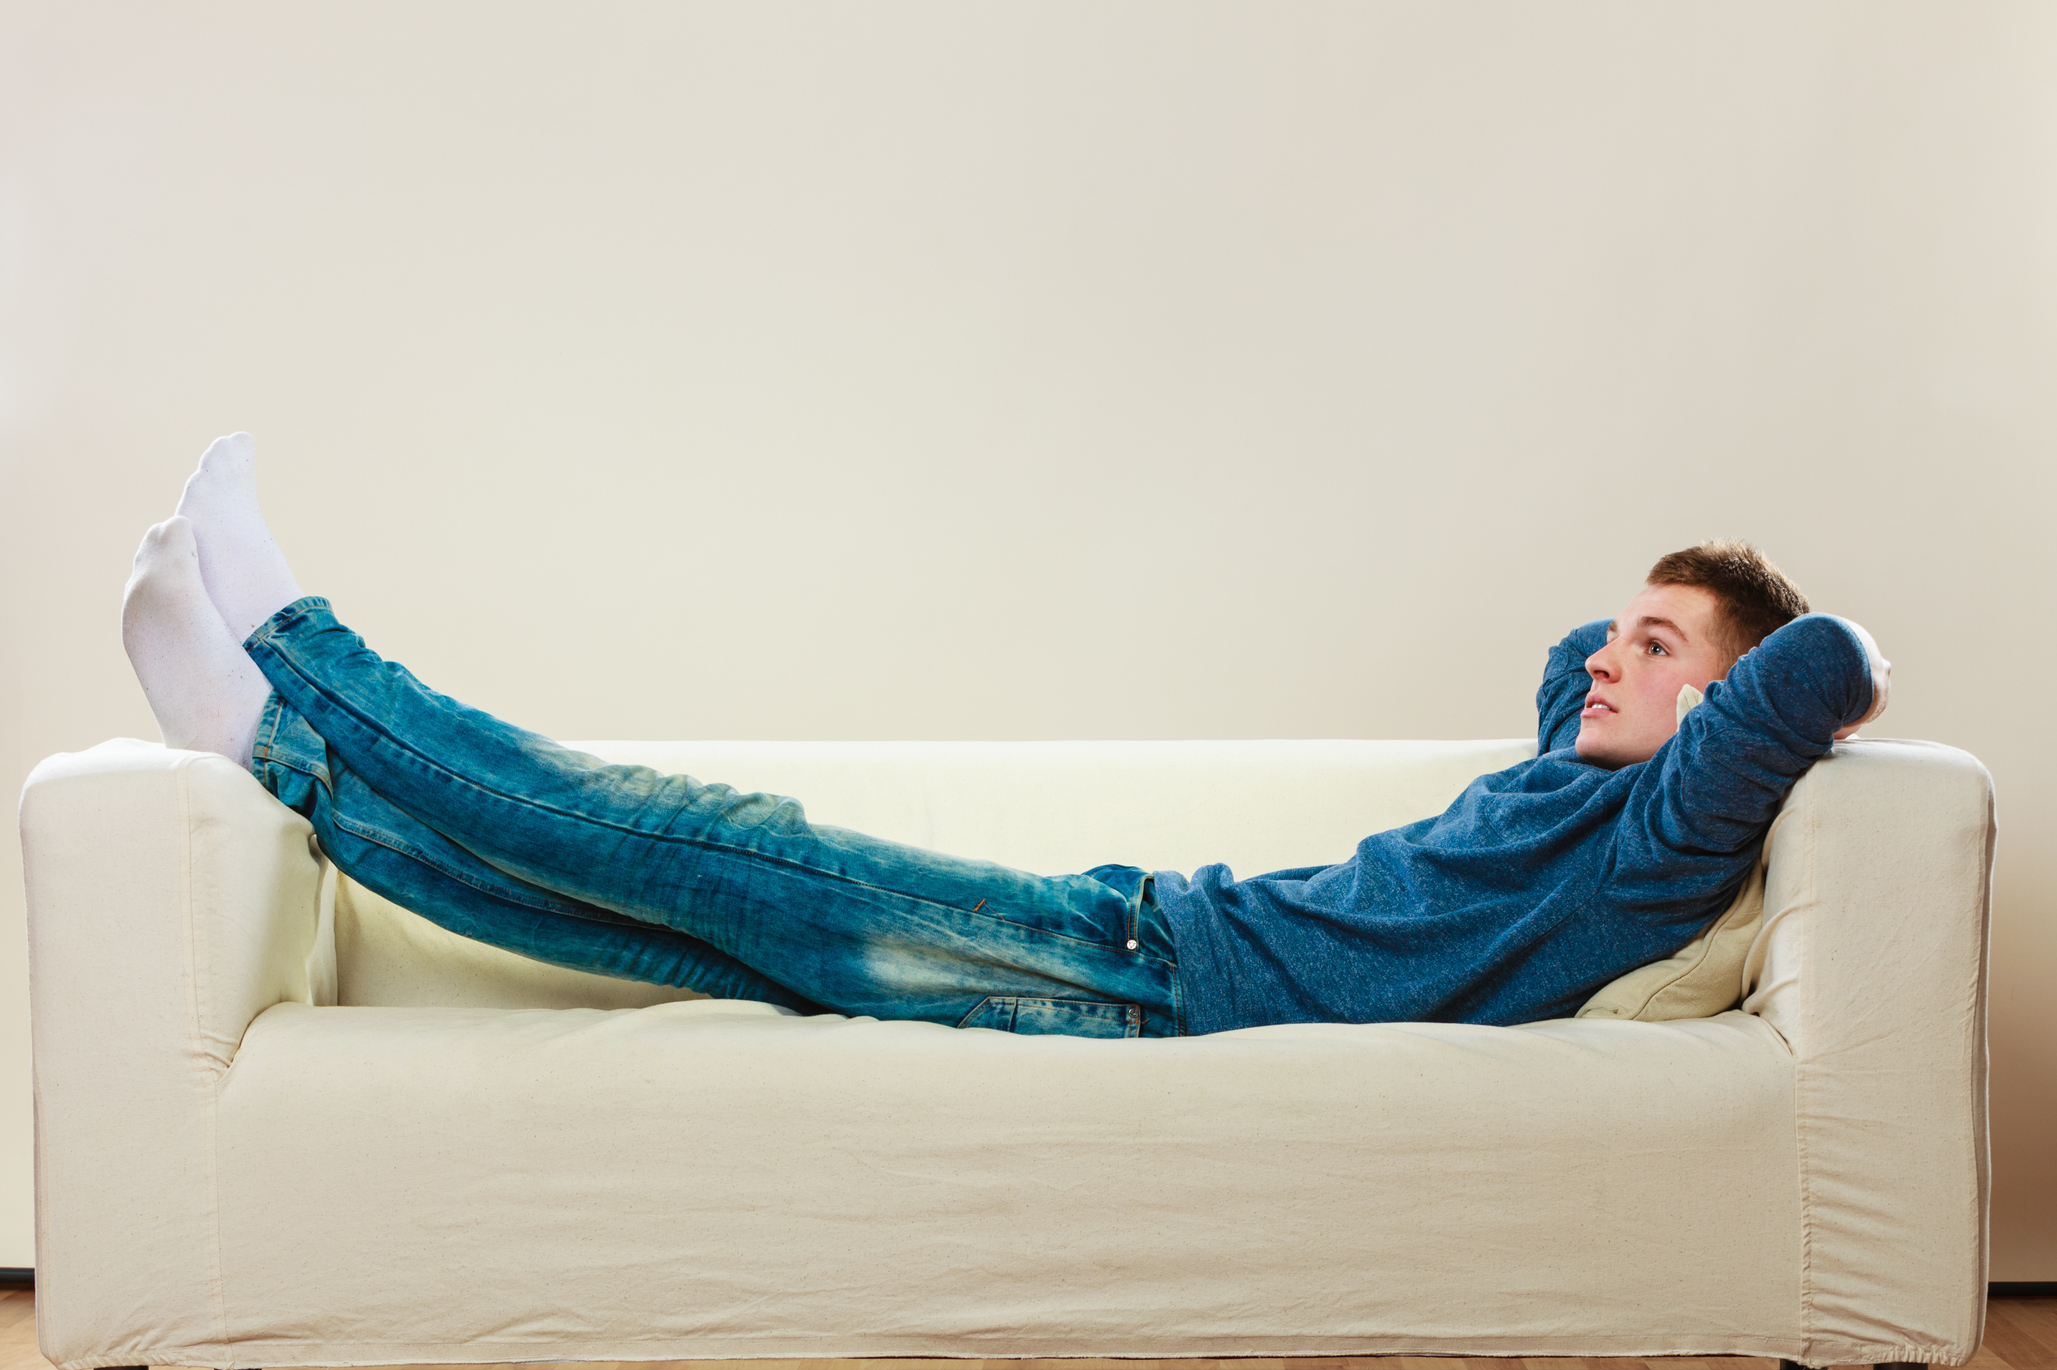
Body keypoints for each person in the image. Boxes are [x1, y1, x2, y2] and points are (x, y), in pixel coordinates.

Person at [121, 434, 1891, 1040]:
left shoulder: (1656, 837)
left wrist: (1726, 664)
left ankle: (302, 653)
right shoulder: (1570, 789)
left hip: (1135, 970)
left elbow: (1816, 660)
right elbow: (1565, 658)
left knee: (696, 832)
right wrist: (1650, 636)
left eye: (1654, 648)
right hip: (1127, 939)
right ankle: (272, 752)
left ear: (1716, 712)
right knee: (655, 918)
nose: (1603, 660)